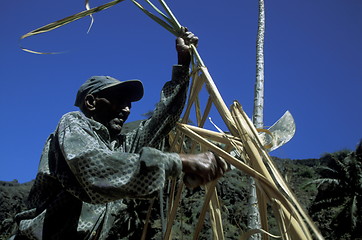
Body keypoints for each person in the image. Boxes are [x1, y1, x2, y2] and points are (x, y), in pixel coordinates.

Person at [11, 28, 228, 239]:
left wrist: (183, 63)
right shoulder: (73, 123)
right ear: (91, 102)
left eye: (129, 103)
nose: (127, 109)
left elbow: (163, 119)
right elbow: (93, 168)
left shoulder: (120, 147)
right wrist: (180, 162)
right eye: (119, 100)